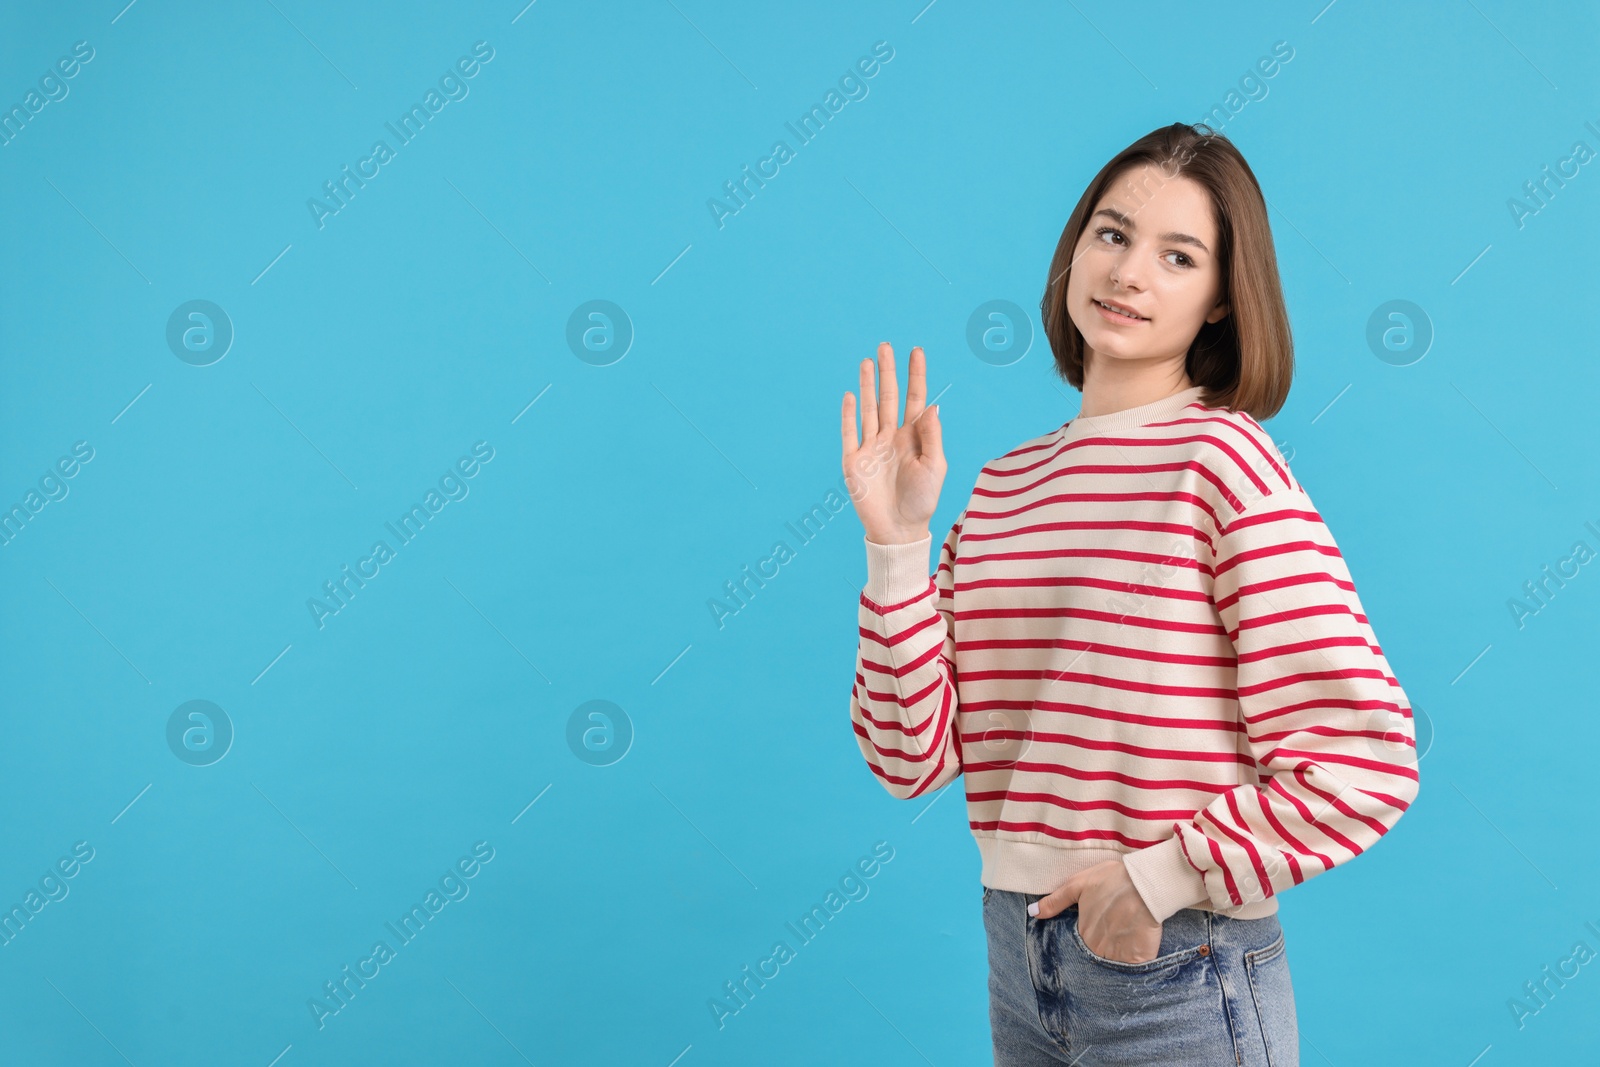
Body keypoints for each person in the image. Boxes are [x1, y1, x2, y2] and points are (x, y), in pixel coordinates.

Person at [839, 123, 1420, 1066]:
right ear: (1075, 250)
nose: (1129, 272)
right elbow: (908, 758)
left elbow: (1367, 760)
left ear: (1224, 300)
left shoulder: (1221, 462)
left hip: (1176, 964)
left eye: (1177, 254)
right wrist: (897, 543)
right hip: (1018, 957)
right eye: (1112, 235)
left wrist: (1157, 878)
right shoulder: (1003, 486)